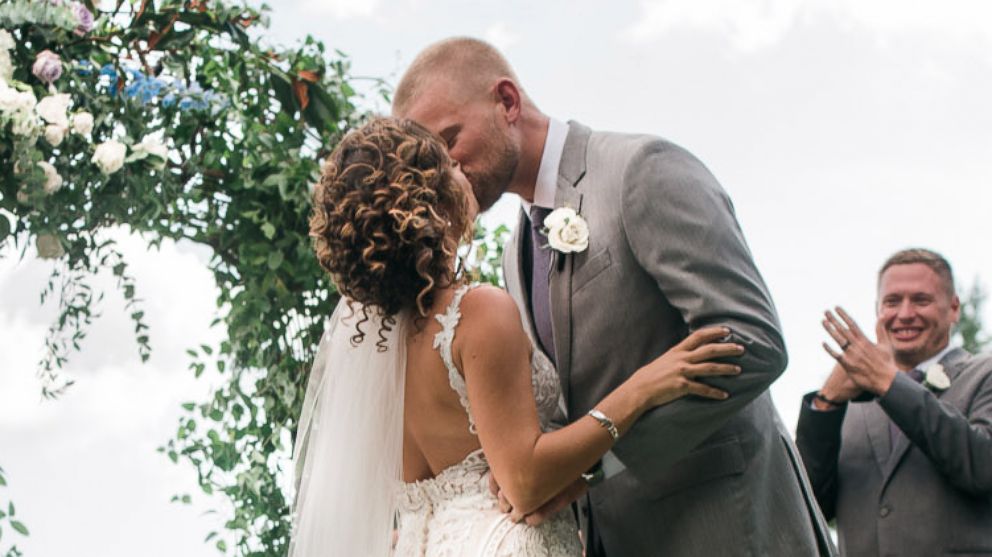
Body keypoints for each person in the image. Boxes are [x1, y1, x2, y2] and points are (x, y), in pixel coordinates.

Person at [392, 37, 833, 557]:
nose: (445, 171)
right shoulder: (515, 253)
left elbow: (754, 341)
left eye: (449, 140)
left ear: (507, 102)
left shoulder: (641, 168)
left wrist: (599, 464)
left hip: (728, 527)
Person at [289, 117, 747, 556]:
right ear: (427, 202)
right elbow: (524, 482)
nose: (461, 170)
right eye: (448, 164)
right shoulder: (476, 312)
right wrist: (643, 388)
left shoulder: (370, 344)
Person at [796, 248, 992, 556]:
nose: (904, 314)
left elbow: (982, 468)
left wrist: (889, 384)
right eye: (892, 302)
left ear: (953, 308)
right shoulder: (852, 404)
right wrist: (826, 404)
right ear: (878, 310)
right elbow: (809, 507)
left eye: (921, 300)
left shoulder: (985, 374)